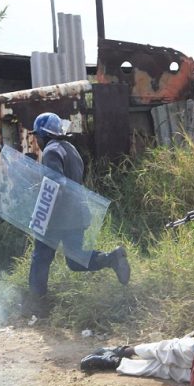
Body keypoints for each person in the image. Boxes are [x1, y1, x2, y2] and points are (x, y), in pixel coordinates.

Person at [25, 112, 131, 317]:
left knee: (41, 257)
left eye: (36, 136)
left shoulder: (50, 152)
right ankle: (112, 258)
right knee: (75, 260)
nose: (36, 141)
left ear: (42, 135)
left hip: (57, 217)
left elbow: (57, 185)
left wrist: (41, 213)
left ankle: (36, 305)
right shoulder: (70, 149)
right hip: (78, 214)